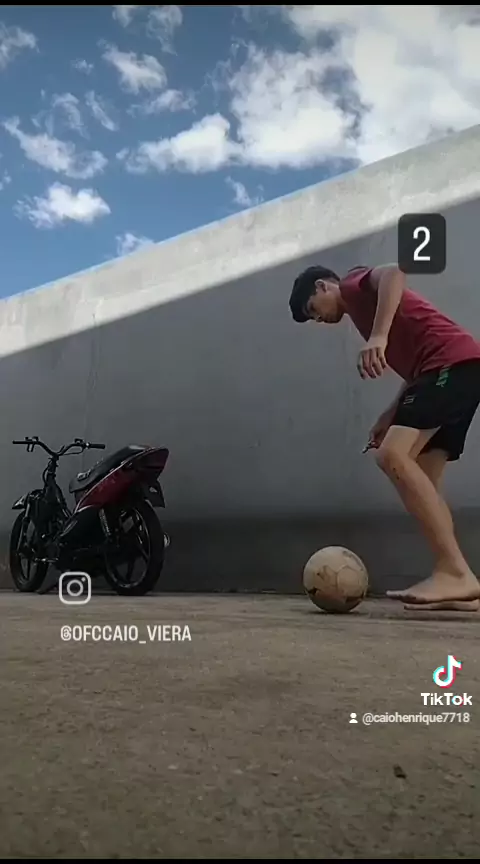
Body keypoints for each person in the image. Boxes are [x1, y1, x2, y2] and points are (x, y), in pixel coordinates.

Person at [289, 263, 480, 611]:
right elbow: (415, 373)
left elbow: (394, 272)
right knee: (425, 477)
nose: (319, 319)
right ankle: (462, 587)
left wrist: (379, 336)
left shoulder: (352, 285)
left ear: (322, 286)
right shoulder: (365, 314)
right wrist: (389, 415)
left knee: (391, 455)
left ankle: (454, 571)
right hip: (453, 370)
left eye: (313, 309)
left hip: (448, 365)